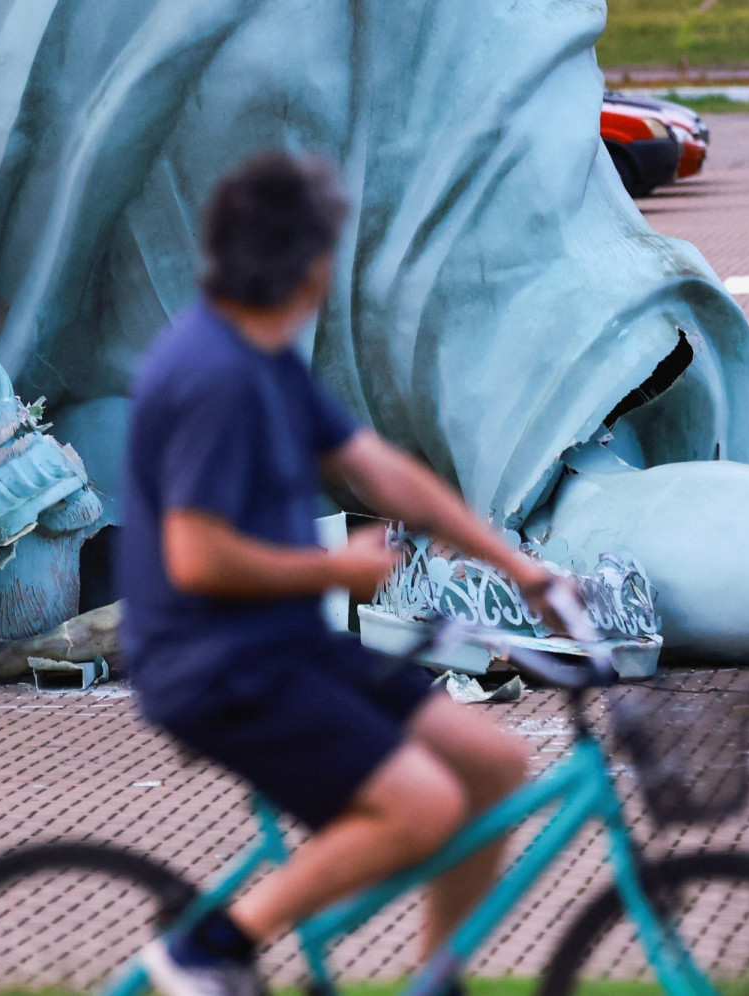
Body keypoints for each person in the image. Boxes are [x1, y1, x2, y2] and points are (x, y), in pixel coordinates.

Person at [118, 153, 549, 996]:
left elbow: (384, 472)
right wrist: (335, 565)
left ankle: (436, 980)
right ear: (309, 264)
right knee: (422, 807)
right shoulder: (212, 375)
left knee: (493, 766)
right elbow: (195, 557)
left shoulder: (266, 357)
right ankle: (206, 948)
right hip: (215, 667)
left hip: (286, 646)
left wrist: (520, 567)